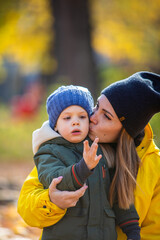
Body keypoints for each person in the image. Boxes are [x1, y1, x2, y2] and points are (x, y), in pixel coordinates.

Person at [17, 71, 160, 240]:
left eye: (106, 116)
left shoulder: (153, 164)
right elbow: (26, 205)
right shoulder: (65, 145)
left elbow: (154, 231)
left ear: (126, 131)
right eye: (97, 106)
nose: (92, 117)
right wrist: (52, 201)